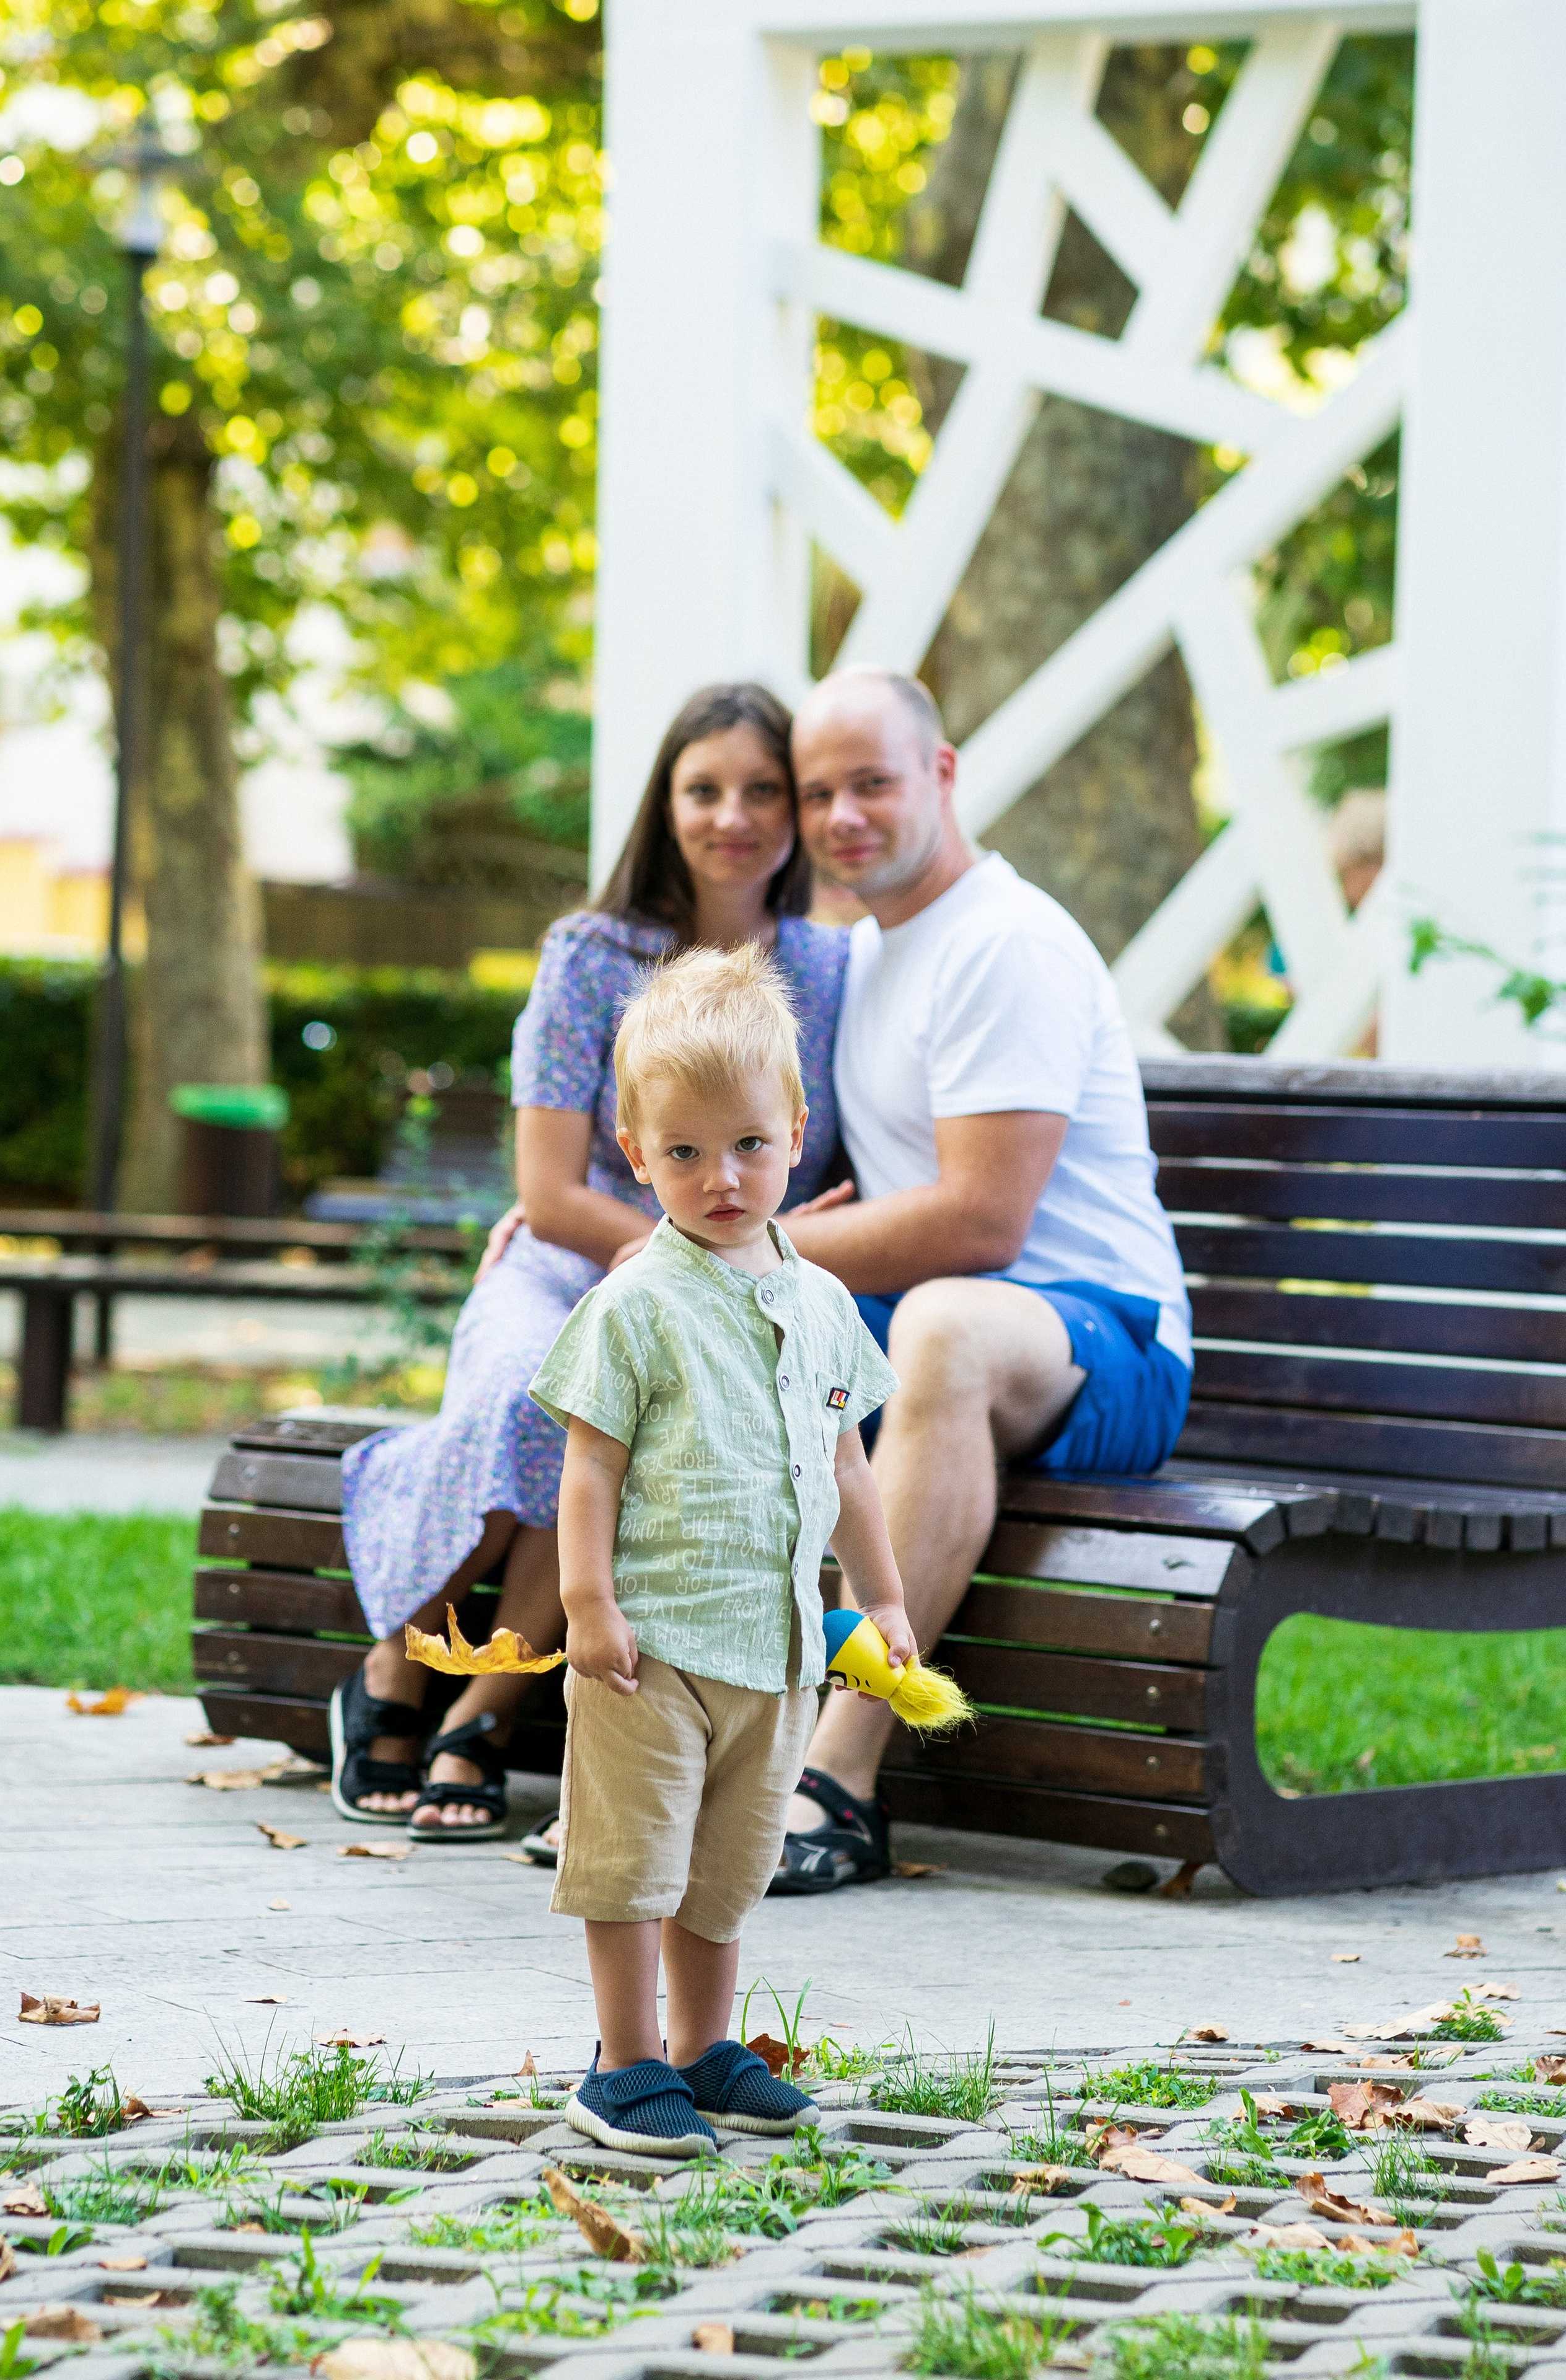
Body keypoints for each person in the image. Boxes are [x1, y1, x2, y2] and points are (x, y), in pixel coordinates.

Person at [330, 684, 851, 1843]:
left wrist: (752, 1258)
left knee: (627, 1422)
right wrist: (668, 1260)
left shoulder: (827, 965)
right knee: (535, 1394)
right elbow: (551, 1187)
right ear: (665, 804)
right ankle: (392, 1665)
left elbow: (817, 1149)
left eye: (763, 791)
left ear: (796, 808)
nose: (733, 816)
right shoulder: (589, 952)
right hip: (572, 1259)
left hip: (727, 1278)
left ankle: (482, 1711)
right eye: (704, 790)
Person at [768, 667, 1194, 1894]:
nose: (843, 816)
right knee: (706, 1334)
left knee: (942, 1328)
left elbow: (981, 1221)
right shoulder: (863, 957)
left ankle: (839, 1782)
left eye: (871, 783)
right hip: (934, 1330)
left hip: (1108, 1345)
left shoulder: (1004, 942)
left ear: (942, 774)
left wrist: (762, 1247)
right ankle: (680, 1752)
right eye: (817, 794)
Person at [529, 945, 906, 2152]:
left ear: (795, 1134)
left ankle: (701, 2048)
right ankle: (623, 2063)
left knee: (727, 1869)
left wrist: (882, 1601)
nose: (722, 1177)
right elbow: (590, 1467)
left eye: (747, 1144)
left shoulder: (823, 1303)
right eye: (683, 1152)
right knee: (633, 1861)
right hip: (653, 1649)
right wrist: (588, 1603)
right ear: (636, 1155)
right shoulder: (635, 1304)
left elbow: (848, 1466)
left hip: (775, 1652)